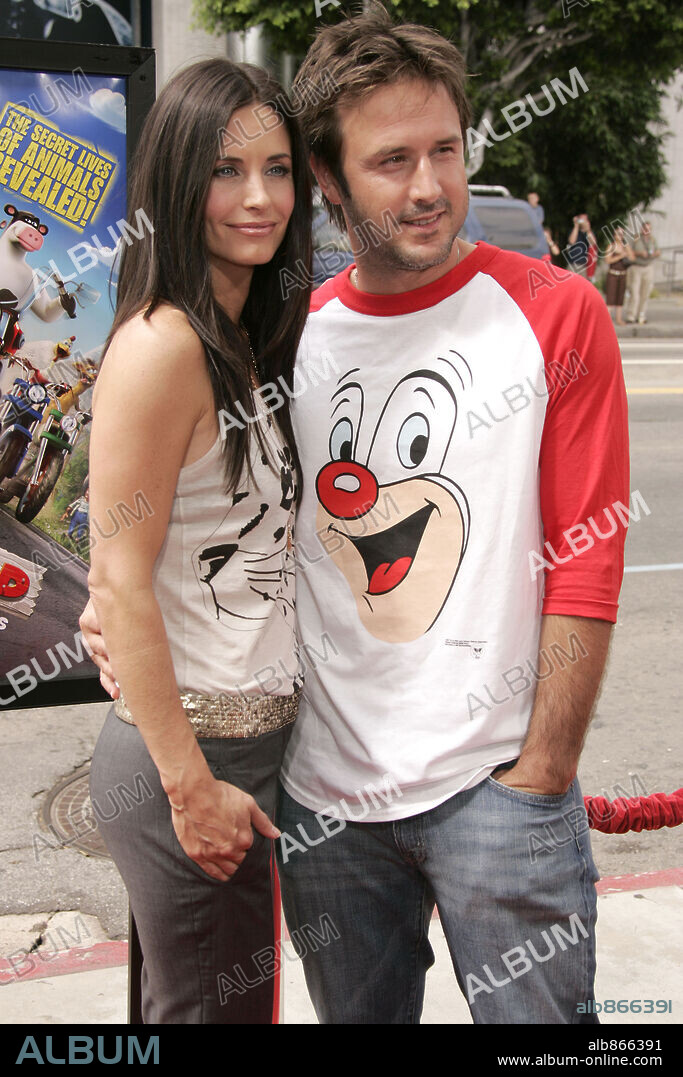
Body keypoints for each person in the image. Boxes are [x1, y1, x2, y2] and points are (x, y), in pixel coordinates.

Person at [83, 5, 629, 1026]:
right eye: (389, 162)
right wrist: (114, 603)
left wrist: (540, 771)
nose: (426, 188)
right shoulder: (297, 336)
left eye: (444, 152)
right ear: (331, 184)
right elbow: (178, 527)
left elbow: (585, 562)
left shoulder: (557, 315)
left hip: (495, 797)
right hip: (324, 805)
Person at [79, 58, 312, 1023]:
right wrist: (190, 791)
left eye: (278, 168)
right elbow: (120, 578)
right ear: (178, 179)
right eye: (226, 170)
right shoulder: (164, 342)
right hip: (193, 759)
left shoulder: (244, 328)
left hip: (247, 748)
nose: (258, 197)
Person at [625, 220, 660, 324]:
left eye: (649, 229)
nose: (647, 231)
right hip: (636, 267)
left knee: (645, 293)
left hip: (648, 267)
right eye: (645, 228)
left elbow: (658, 251)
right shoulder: (636, 239)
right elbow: (628, 251)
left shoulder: (652, 240)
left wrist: (653, 254)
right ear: (642, 229)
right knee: (635, 293)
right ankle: (631, 315)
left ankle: (641, 315)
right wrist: (639, 253)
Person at [603, 226, 635, 325]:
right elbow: (608, 260)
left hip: (623, 274)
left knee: (620, 297)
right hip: (613, 274)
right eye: (618, 234)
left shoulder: (626, 246)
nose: (620, 236)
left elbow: (632, 258)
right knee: (610, 297)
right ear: (614, 235)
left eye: (622, 234)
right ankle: (607, 320)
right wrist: (620, 256)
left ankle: (618, 318)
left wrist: (626, 249)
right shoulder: (611, 246)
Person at [566, 213, 598, 278]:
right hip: (572, 264)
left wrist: (588, 230)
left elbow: (593, 243)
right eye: (581, 220)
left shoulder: (589, 233)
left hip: (584, 265)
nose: (582, 222)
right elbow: (571, 241)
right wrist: (576, 225)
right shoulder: (574, 230)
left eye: (584, 220)